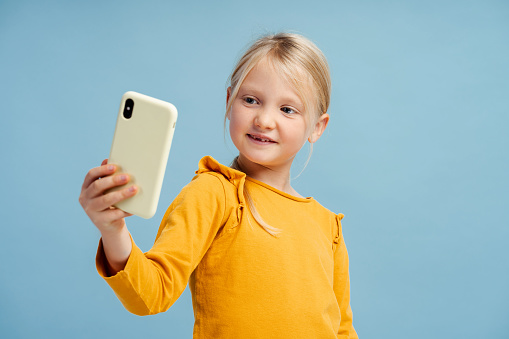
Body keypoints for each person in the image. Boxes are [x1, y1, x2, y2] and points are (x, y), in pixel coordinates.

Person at [79, 32, 358, 338]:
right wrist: (113, 230)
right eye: (251, 100)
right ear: (229, 103)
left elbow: (342, 330)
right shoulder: (214, 193)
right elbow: (151, 294)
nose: (264, 120)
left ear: (317, 127)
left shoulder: (328, 226)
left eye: (287, 109)